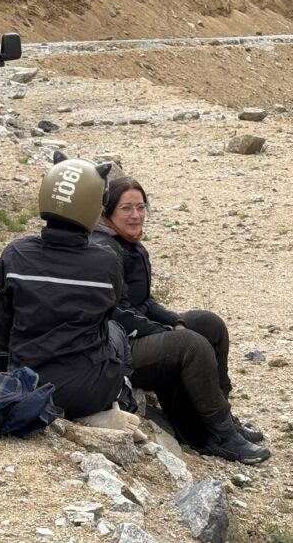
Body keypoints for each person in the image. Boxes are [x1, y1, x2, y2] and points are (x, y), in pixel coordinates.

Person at [90, 176, 271, 464]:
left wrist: (173, 321)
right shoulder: (105, 249)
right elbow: (118, 313)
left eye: (141, 207)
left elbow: (144, 301)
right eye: (126, 208)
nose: (136, 215)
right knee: (190, 344)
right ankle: (219, 436)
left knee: (208, 324)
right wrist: (166, 331)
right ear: (106, 212)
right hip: (115, 350)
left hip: (134, 334)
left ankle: (221, 416)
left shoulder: (129, 245)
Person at [0, 158, 132, 422]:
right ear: (94, 205)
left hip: (28, 385)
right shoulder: (107, 261)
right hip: (88, 393)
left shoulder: (15, 254)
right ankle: (124, 399)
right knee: (115, 331)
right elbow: (108, 312)